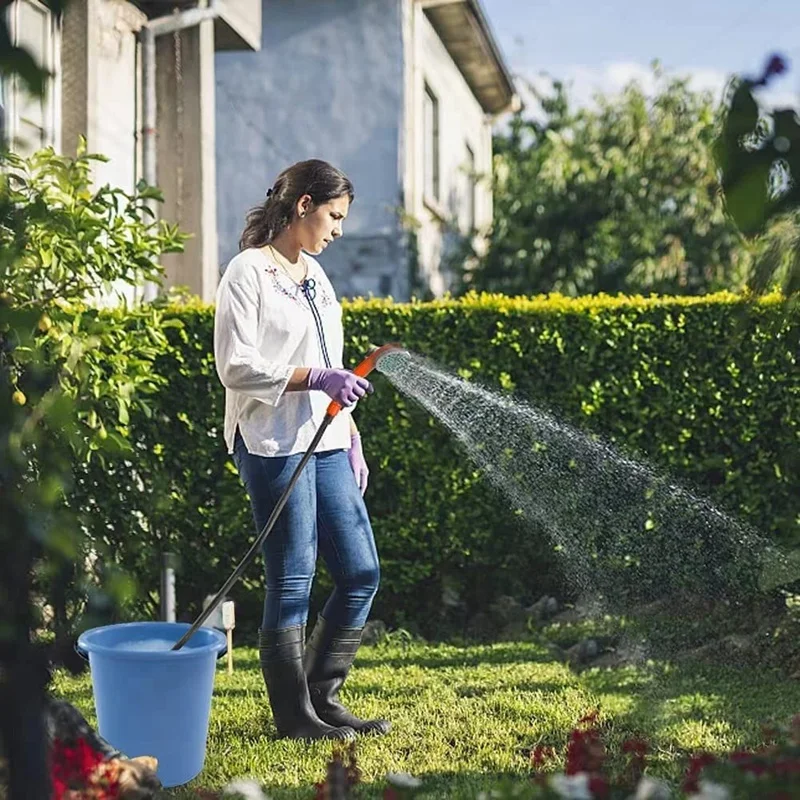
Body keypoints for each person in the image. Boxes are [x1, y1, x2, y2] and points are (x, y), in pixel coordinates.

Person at [213, 159, 390, 741]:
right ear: (304, 205)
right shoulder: (247, 273)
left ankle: (321, 697)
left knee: (360, 571)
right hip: (271, 441)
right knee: (291, 578)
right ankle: (292, 718)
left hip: (328, 439)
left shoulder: (316, 275)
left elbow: (332, 364)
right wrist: (315, 379)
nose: (338, 230)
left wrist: (352, 434)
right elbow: (235, 367)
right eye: (334, 216)